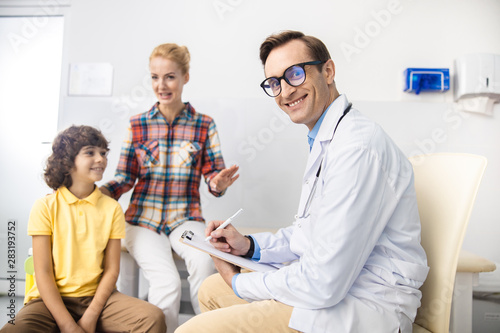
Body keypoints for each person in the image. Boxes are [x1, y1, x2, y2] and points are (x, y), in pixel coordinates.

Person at [175, 31, 429, 333]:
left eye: (294, 74)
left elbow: (323, 283)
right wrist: (248, 246)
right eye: (274, 83)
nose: (284, 92)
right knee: (211, 289)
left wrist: (239, 281)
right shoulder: (327, 138)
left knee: (190, 329)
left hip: (364, 307)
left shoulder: (356, 148)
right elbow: (310, 235)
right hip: (335, 292)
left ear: (328, 71)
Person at [100, 43, 238, 332]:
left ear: (185, 77)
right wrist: (96, 193)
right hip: (143, 221)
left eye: (170, 77)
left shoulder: (204, 125)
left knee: (204, 264)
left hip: (185, 218)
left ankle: (204, 329)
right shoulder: (137, 125)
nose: (161, 85)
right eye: (154, 77)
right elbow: (125, 177)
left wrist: (217, 183)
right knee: (167, 283)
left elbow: (213, 176)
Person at [0, 125, 166, 333]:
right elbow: (42, 271)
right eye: (90, 152)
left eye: (103, 153)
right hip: (48, 301)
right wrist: (67, 325)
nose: (101, 159)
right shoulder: (44, 207)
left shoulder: (112, 208)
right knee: (13, 330)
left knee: (153, 318)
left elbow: (112, 270)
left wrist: (90, 317)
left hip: (98, 300)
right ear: (67, 161)